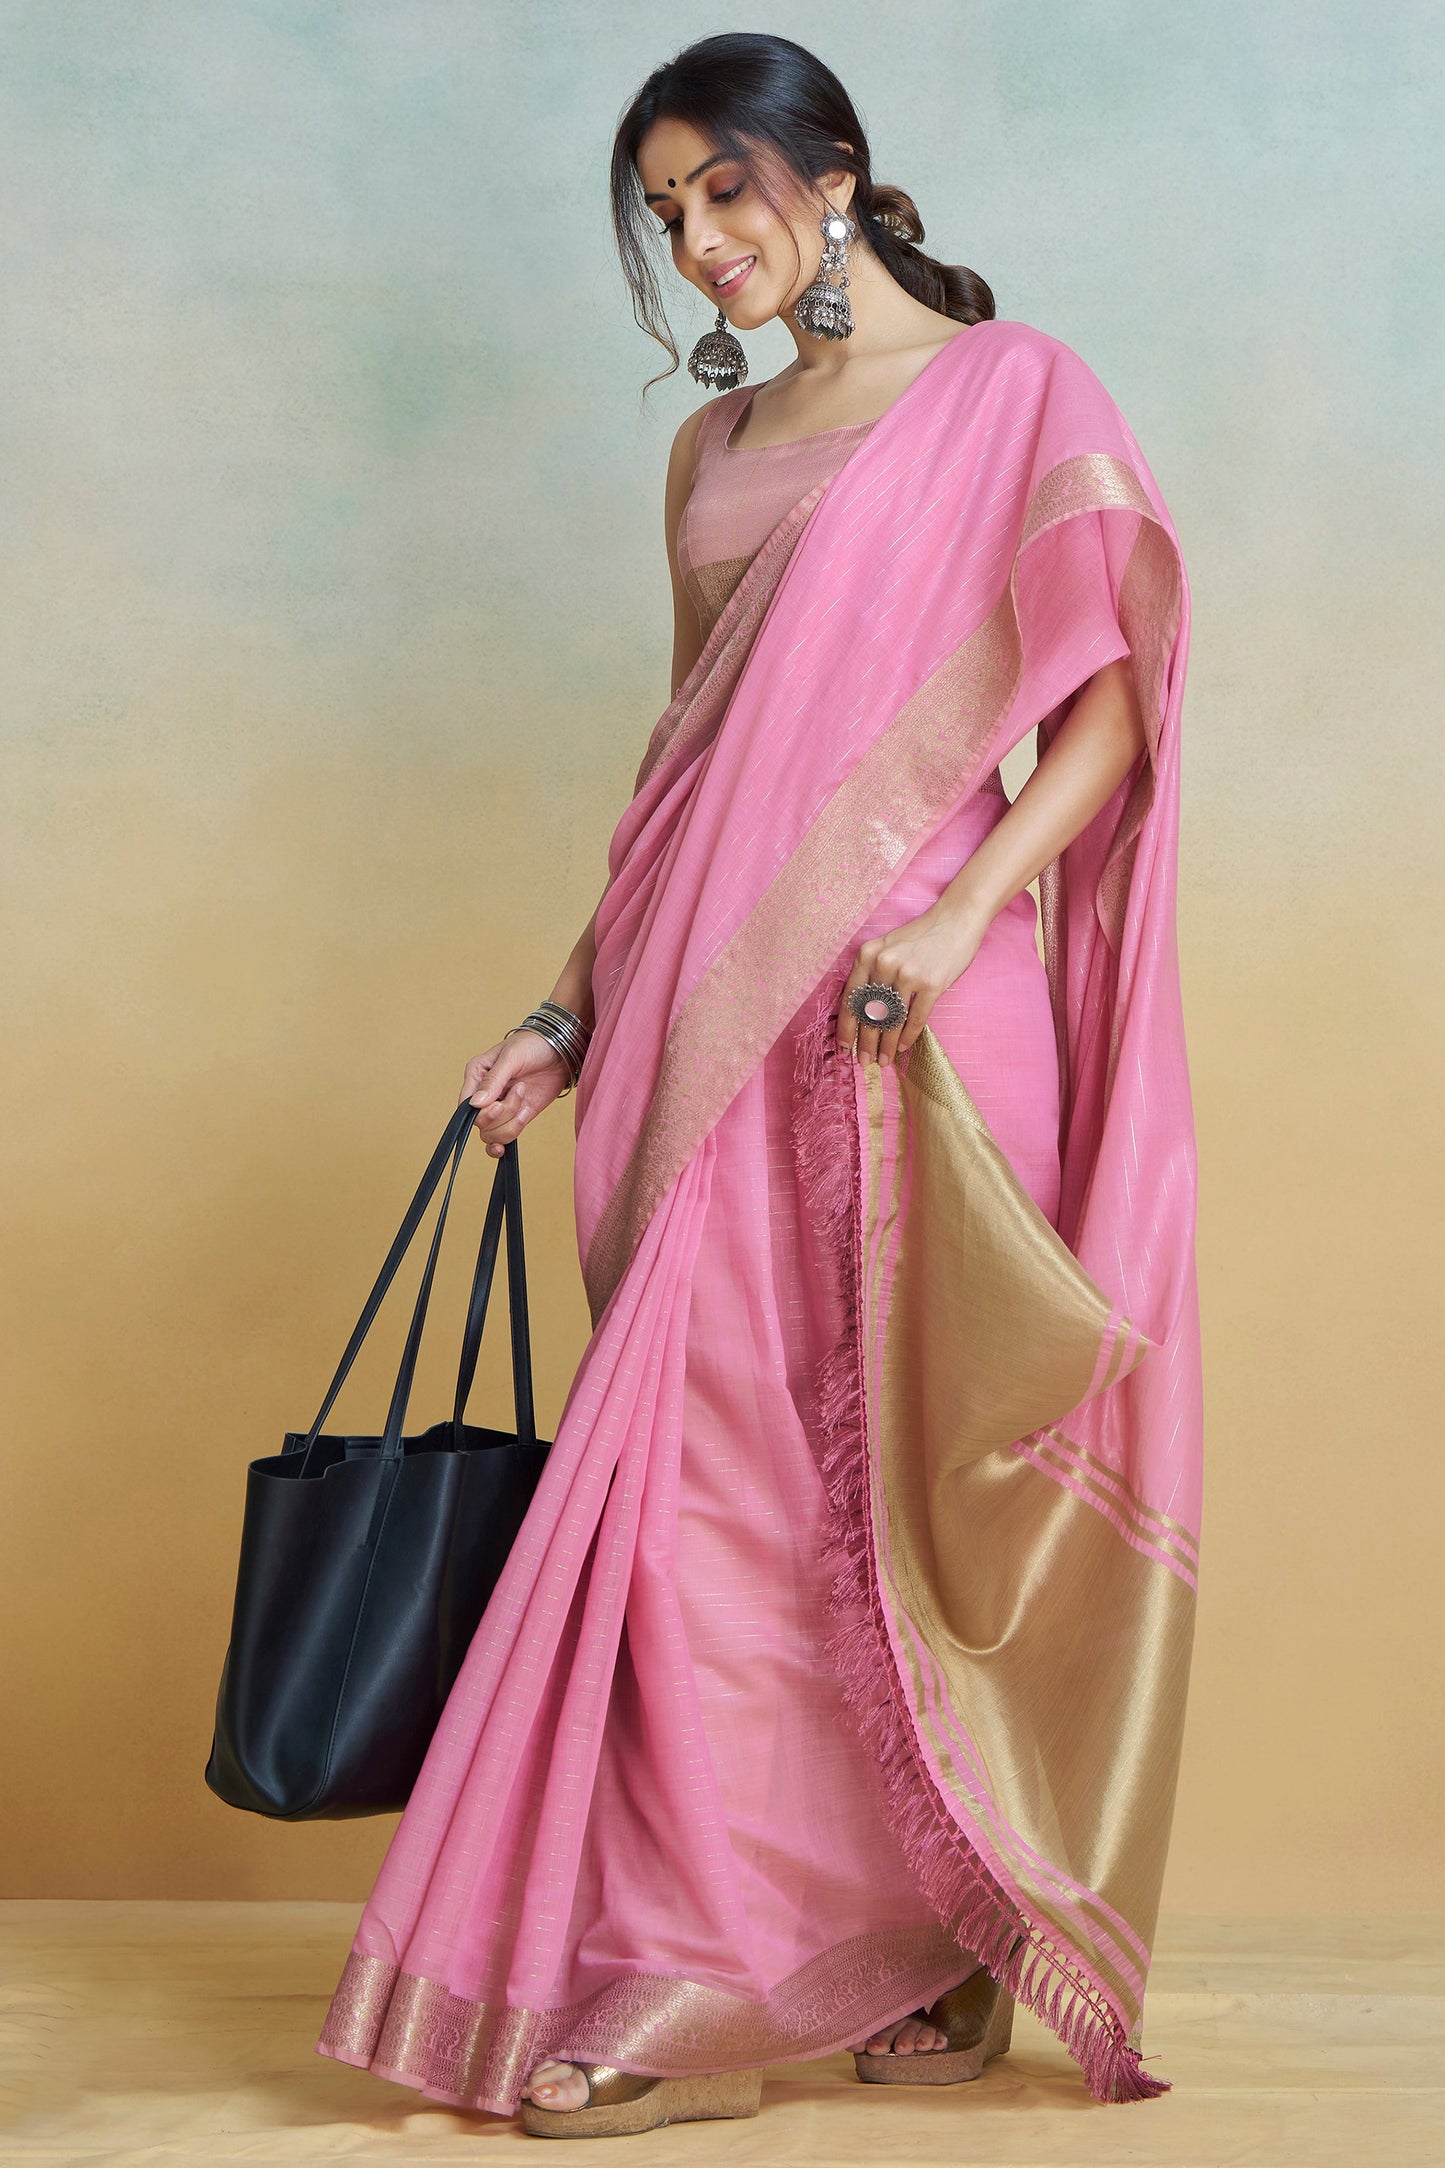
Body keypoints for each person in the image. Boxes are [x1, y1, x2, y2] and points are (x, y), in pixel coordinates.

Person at [316, 31, 1202, 2140]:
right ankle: (694, 1959)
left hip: (918, 1017)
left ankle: (943, 1929)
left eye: (726, 188)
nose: (700, 239)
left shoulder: (1010, 393)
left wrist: (964, 913)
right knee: (703, 1498)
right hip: (704, 1013)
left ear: (836, 173)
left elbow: (1103, 712)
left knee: (900, 1492)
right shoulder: (709, 448)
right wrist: (564, 1011)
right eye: (667, 211)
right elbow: (686, 780)